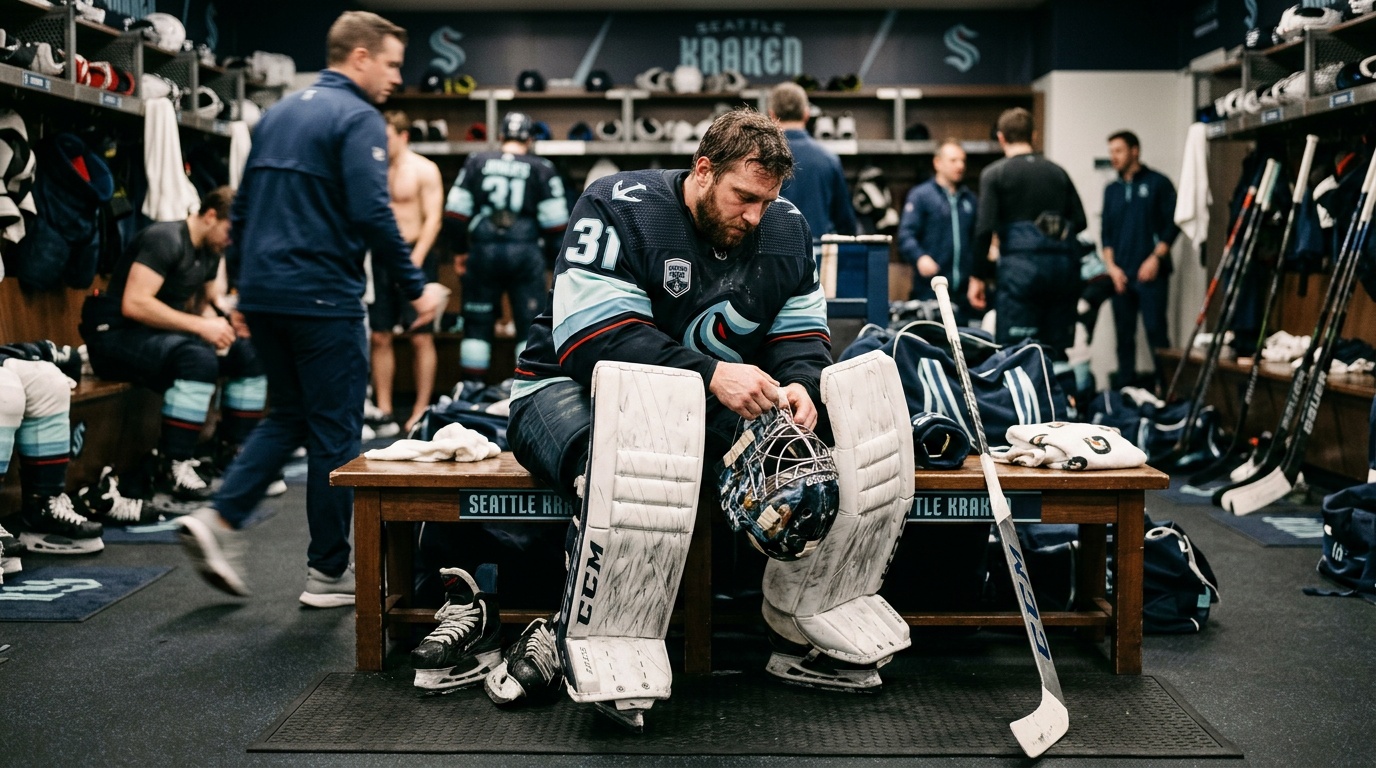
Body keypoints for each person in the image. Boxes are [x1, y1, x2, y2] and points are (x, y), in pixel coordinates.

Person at [490, 110, 909, 728]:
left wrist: (801, 381)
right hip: (561, 383)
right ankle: (588, 635)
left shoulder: (787, 229)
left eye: (767, 201)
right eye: (744, 197)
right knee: (630, 465)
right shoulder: (619, 205)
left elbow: (801, 336)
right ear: (703, 169)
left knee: (813, 460)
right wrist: (712, 374)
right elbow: (592, 339)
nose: (755, 216)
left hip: (698, 396)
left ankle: (795, 620)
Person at [174, 11, 447, 606]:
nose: (397, 77)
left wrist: (241, 290)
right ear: (360, 57)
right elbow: (374, 213)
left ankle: (217, 519)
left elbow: (241, 209)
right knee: (336, 433)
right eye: (393, 63)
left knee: (289, 415)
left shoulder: (277, 115)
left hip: (267, 295)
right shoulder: (357, 117)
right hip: (322, 296)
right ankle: (328, 573)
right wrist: (416, 285)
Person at [80, 186, 270, 507]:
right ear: (211, 216)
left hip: (159, 338)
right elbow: (135, 303)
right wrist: (201, 326)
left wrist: (228, 322)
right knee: (197, 359)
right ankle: (174, 464)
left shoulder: (210, 251)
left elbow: (206, 305)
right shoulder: (165, 239)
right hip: (115, 336)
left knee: (248, 354)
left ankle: (235, 450)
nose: (233, 240)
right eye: (231, 230)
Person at [443, 111, 569, 382]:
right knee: (529, 326)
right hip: (525, 252)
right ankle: (524, 392)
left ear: (500, 137)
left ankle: (470, 390)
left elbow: (455, 213)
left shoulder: (477, 161)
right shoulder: (542, 167)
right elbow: (557, 224)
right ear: (530, 139)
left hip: (482, 250)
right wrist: (552, 264)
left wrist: (459, 251)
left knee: (476, 327)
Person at [967, 107, 1086, 361]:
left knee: (1018, 351)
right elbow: (1080, 221)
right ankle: (1060, 400)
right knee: (1056, 351)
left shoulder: (994, 174)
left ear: (1001, 137)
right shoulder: (1057, 172)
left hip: (1021, 274)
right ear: (1033, 135)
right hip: (1062, 274)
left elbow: (984, 230)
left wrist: (977, 277)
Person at [369, 109, 445, 434]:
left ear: (403, 136)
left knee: (420, 337)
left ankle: (419, 409)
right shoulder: (372, 169)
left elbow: (433, 219)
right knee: (380, 335)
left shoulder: (424, 169)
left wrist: (413, 261)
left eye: (386, 138)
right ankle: (384, 409)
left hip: (416, 255)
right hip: (380, 258)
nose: (381, 144)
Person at [1101, 130, 1179, 388]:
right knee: (1124, 338)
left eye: (1118, 150)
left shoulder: (1159, 183)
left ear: (1135, 151)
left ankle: (1167, 394)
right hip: (1121, 276)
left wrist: (1155, 259)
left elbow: (1172, 226)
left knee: (1157, 334)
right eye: (1111, 151)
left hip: (1150, 274)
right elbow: (1107, 235)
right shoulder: (1111, 190)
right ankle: (1127, 394)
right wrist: (1111, 268)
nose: (1113, 156)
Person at [897, 139, 978, 313]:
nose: (960, 165)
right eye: (953, 160)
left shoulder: (969, 199)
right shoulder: (921, 196)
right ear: (937, 163)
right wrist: (919, 257)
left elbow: (976, 239)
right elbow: (905, 235)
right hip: (929, 291)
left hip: (964, 295)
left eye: (963, 160)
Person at [767, 82, 856, 240]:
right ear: (806, 114)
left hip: (772, 252)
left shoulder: (761, 157)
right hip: (818, 253)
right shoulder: (829, 159)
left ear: (772, 115)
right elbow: (845, 222)